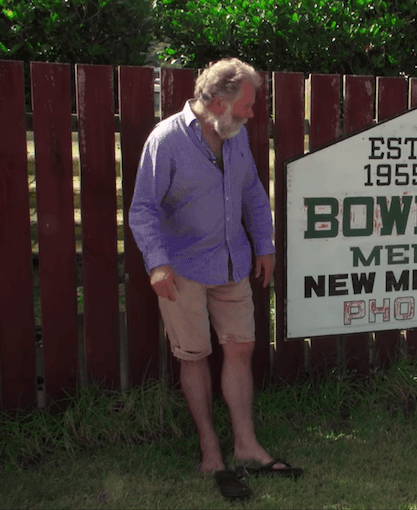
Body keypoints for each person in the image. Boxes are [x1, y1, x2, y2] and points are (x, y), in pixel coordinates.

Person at [128, 57, 302, 499]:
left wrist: (265, 244)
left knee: (240, 347)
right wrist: (157, 262)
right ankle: (211, 448)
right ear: (215, 99)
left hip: (231, 264)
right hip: (181, 270)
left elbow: (251, 193)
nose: (250, 113)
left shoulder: (236, 137)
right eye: (244, 104)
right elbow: (143, 209)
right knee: (193, 355)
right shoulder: (166, 141)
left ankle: (245, 445)